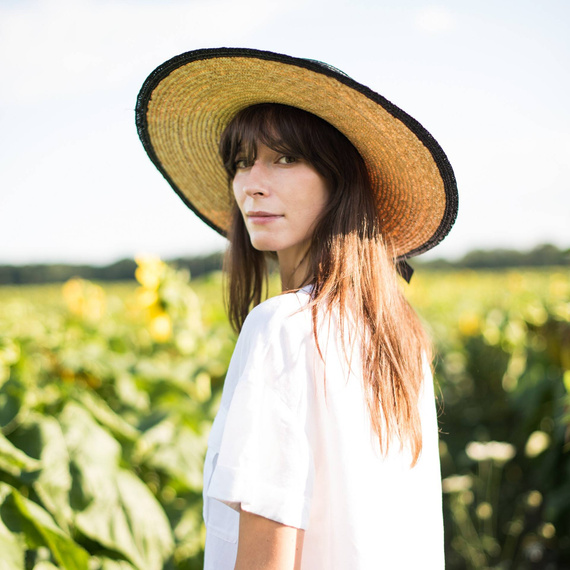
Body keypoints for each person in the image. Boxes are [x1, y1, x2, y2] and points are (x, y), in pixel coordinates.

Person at [136, 48, 458, 569]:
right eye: (242, 162)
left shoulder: (282, 327)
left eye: (285, 158)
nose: (252, 183)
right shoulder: (400, 336)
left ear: (340, 178)